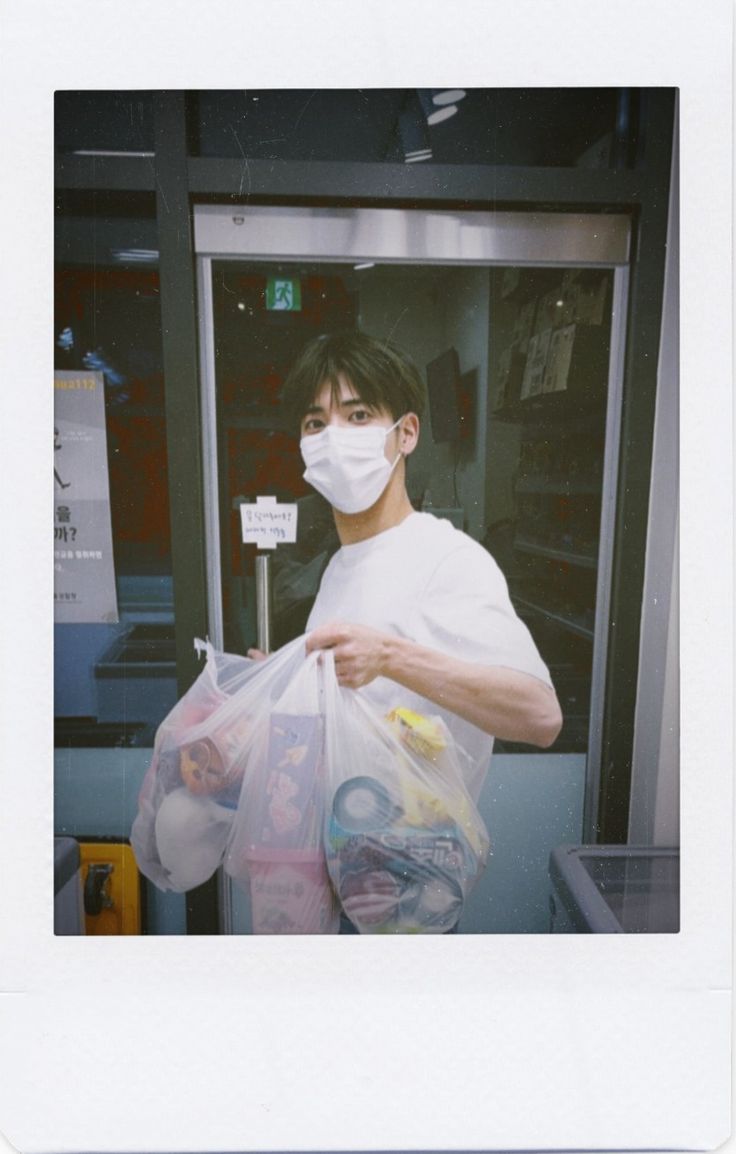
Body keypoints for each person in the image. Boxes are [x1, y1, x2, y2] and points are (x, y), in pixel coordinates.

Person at [258, 331, 563, 932]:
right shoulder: (339, 566)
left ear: (407, 433)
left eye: (359, 414)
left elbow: (540, 714)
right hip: (337, 877)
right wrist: (288, 680)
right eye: (315, 422)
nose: (333, 437)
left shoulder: (446, 558)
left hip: (407, 892)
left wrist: (391, 656)